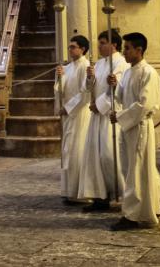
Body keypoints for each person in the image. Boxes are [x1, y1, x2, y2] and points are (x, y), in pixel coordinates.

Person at [109, 32, 160, 230]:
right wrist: (114, 86)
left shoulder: (149, 73)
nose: (124, 52)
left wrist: (120, 117)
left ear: (139, 50)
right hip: (129, 127)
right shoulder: (128, 72)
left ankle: (132, 214)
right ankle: (158, 198)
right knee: (137, 168)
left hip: (139, 127)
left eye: (127, 48)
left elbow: (146, 105)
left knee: (135, 171)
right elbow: (121, 96)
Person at [78, 30, 128, 211]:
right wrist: (90, 77)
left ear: (113, 44)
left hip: (110, 116)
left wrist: (99, 105)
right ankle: (101, 196)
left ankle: (125, 192)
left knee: (109, 155)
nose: (99, 47)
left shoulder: (121, 64)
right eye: (99, 43)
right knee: (95, 156)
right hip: (97, 116)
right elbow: (87, 88)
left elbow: (117, 91)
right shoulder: (98, 64)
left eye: (102, 43)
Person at [55, 35, 91, 204]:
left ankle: (80, 192)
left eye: (73, 47)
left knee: (78, 151)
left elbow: (85, 94)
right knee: (68, 151)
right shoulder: (67, 67)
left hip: (80, 114)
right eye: (69, 47)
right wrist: (59, 77)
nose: (70, 50)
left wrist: (67, 108)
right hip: (69, 115)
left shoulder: (86, 66)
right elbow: (60, 90)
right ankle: (69, 190)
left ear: (82, 49)